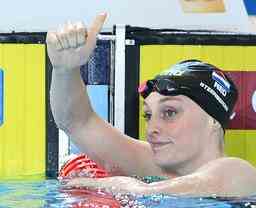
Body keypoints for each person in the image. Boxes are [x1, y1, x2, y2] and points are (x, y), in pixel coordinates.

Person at [46, 13, 256, 197]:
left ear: (213, 121)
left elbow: (163, 191)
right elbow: (77, 122)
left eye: (170, 112)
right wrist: (65, 70)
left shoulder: (237, 172)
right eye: (148, 115)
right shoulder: (152, 166)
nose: (151, 129)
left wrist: (128, 188)